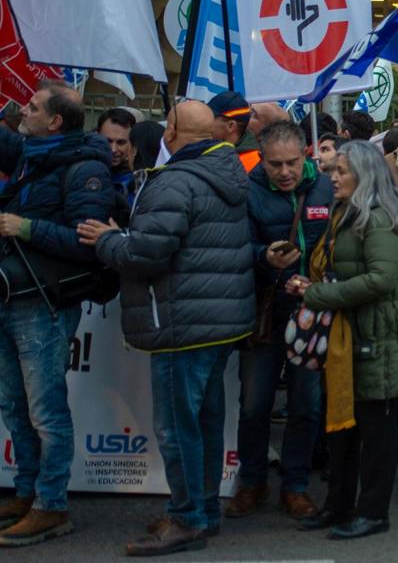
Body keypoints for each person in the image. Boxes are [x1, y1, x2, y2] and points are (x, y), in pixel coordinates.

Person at [81, 100, 255, 555]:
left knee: (178, 428)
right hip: (216, 322)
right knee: (206, 420)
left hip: (183, 322)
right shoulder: (227, 171)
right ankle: (202, 510)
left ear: (171, 132)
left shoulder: (176, 180)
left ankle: (187, 518)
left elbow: (147, 252)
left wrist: (108, 240)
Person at [0, 82, 113, 548]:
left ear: (55, 122)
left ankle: (51, 505)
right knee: (13, 405)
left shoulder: (85, 168)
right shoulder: (32, 153)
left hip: (42, 305)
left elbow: (89, 242)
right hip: (12, 298)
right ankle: (27, 493)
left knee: (46, 410)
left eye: (31, 106)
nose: (22, 110)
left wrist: (26, 227)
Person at [288, 139, 398, 540]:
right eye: (332, 170)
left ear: (365, 174)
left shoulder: (378, 217)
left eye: (341, 171)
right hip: (348, 341)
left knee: (376, 438)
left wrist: (317, 294)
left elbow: (382, 279)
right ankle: (339, 506)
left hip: (378, 342)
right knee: (342, 432)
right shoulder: (346, 213)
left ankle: (374, 512)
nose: (332, 176)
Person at [226, 121, 334, 522]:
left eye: (292, 163)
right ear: (263, 160)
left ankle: (296, 486)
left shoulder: (326, 186)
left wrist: (321, 282)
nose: (285, 172)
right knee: (254, 404)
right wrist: (263, 257)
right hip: (266, 311)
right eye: (275, 165)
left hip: (313, 311)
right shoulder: (247, 191)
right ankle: (252, 481)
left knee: (307, 404)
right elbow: (236, 246)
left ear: (306, 155)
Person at [208, 91, 260, 172]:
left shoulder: (252, 164)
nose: (204, 121)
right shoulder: (208, 148)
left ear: (230, 126)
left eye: (210, 117)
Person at [96, 107, 136, 198]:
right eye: (108, 141)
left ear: (132, 143)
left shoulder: (138, 182)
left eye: (121, 143)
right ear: (96, 136)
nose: (113, 149)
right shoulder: (82, 169)